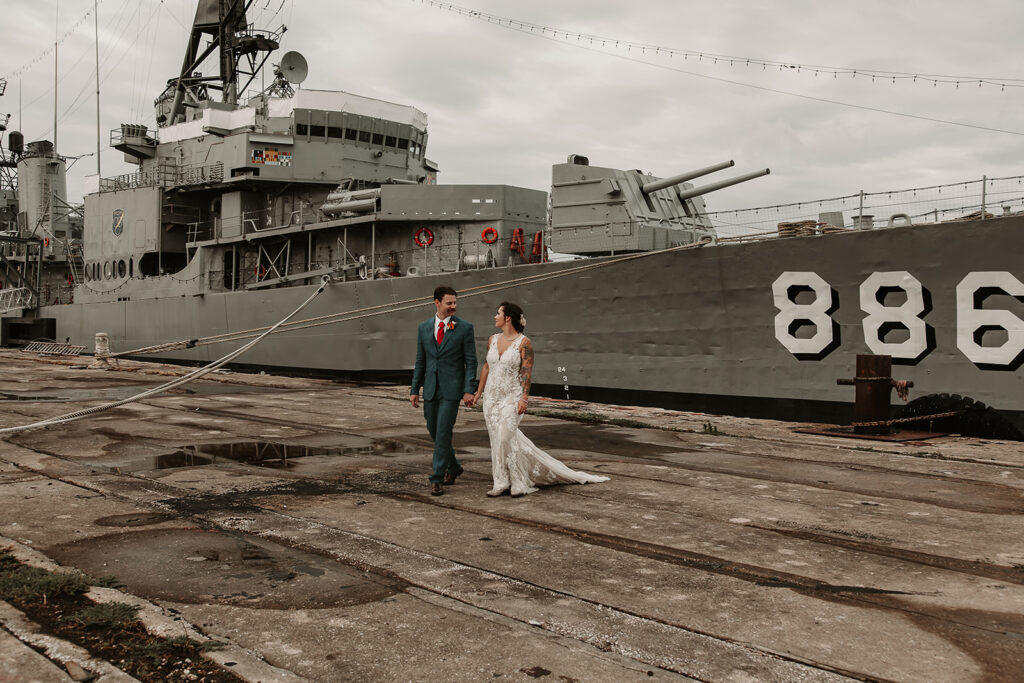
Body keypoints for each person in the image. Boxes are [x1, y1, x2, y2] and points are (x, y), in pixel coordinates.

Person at [472, 302, 609, 497]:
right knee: (497, 440)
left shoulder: (524, 343)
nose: (495, 316)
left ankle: (518, 481)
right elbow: (487, 366)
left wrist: (524, 399)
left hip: (512, 396)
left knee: (505, 436)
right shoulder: (492, 339)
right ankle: (501, 481)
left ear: (508, 318)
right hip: (491, 398)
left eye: (498, 313)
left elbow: (527, 373)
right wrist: (478, 392)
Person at [411, 285, 477, 496]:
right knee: (433, 429)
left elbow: (471, 362)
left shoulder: (464, 328)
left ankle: (437, 478)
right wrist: (414, 389)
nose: (453, 307)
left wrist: (468, 389)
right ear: (437, 303)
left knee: (443, 433)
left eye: (455, 303)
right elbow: (421, 360)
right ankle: (455, 466)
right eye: (449, 303)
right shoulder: (423, 327)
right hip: (430, 388)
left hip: (451, 390)